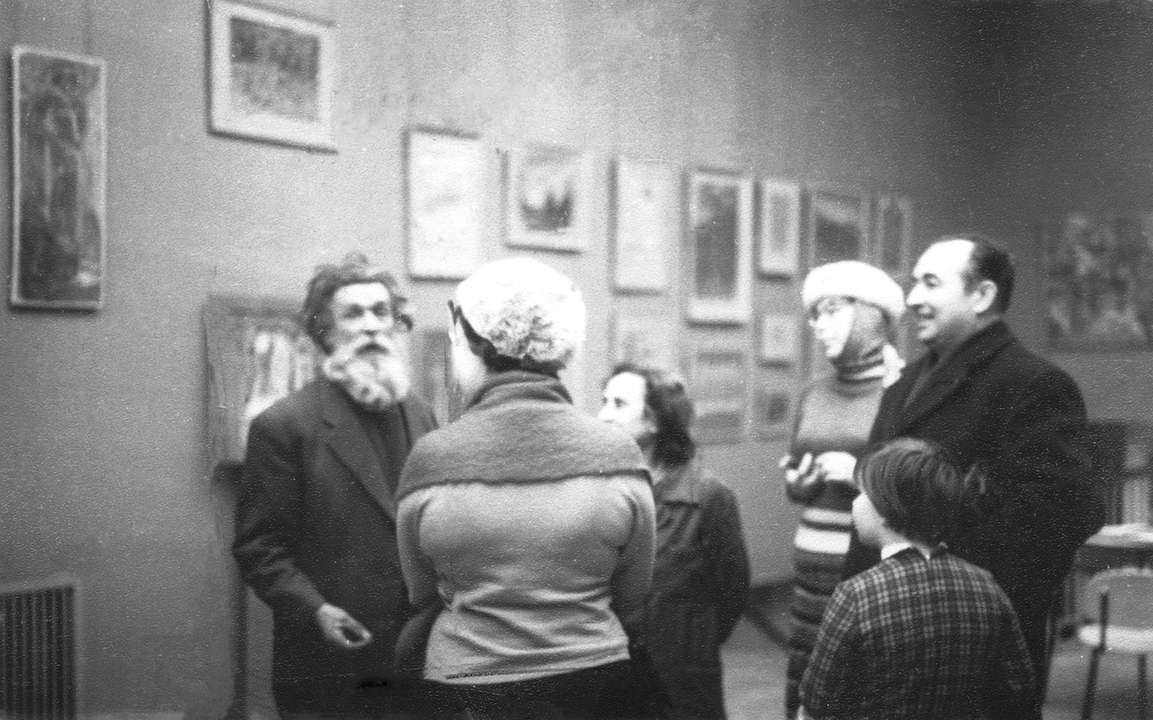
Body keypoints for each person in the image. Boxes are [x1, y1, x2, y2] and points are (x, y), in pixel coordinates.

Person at [843, 233, 1105, 716]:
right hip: (885, 629)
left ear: (982, 295)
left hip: (973, 648)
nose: (913, 298)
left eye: (930, 283)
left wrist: (956, 596)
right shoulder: (905, 382)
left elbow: (1065, 514)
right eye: (914, 283)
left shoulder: (1034, 384)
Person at [395, 257, 657, 719]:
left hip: (468, 689)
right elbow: (633, 593)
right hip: (596, 686)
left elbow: (420, 592)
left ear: (473, 343)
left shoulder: (432, 460)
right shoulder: (618, 455)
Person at [232, 254, 438, 719]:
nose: (371, 326)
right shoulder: (284, 426)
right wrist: (316, 610)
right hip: (329, 664)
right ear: (325, 332)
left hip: (415, 660)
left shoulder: (421, 414)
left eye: (381, 312)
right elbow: (258, 547)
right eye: (353, 314)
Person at [798, 438, 1036, 720]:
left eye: (861, 493)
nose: (855, 501)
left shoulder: (857, 595)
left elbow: (817, 702)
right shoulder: (986, 586)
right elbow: (1019, 689)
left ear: (885, 509)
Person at [780, 260, 906, 718]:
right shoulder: (813, 392)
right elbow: (796, 478)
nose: (818, 325)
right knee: (806, 680)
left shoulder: (902, 390)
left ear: (872, 316)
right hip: (810, 562)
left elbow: (916, 484)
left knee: (858, 684)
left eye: (832, 311)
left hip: (867, 561)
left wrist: (860, 475)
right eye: (815, 314)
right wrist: (799, 483)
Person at [598, 362, 751, 720]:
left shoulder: (709, 497)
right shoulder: (604, 490)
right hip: (614, 669)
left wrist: (691, 641)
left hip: (681, 677)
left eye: (619, 404)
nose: (603, 415)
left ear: (655, 421)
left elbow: (732, 591)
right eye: (603, 401)